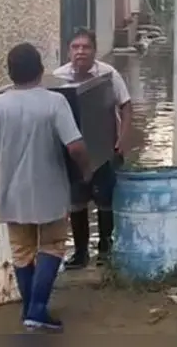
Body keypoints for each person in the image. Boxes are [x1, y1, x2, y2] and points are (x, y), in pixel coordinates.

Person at [0, 42, 91, 332]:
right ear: (40, 71)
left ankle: (29, 310)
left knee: (22, 251)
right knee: (52, 246)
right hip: (49, 190)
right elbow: (75, 146)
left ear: (10, 74)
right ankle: (37, 309)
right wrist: (85, 172)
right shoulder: (55, 103)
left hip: (10, 191)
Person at [53, 28, 133, 269]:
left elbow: (126, 106)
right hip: (73, 152)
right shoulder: (58, 78)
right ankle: (80, 252)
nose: (80, 52)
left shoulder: (108, 75)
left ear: (94, 50)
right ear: (69, 51)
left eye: (85, 47)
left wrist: (122, 139)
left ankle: (106, 248)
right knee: (76, 201)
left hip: (105, 147)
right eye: (76, 47)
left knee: (105, 199)